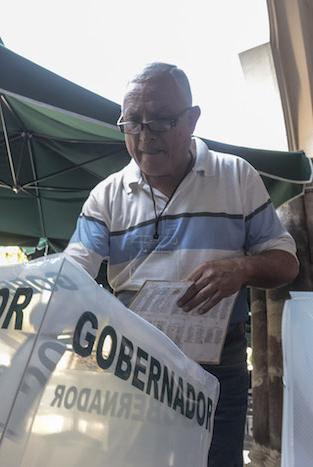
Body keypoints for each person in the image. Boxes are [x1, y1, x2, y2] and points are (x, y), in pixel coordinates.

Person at [64, 62, 299, 466]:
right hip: (133, 365)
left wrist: (242, 268)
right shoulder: (106, 196)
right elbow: (72, 273)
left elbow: (286, 262)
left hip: (216, 365)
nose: (144, 137)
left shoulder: (236, 177)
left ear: (192, 120)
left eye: (160, 121)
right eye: (132, 123)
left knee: (216, 460)